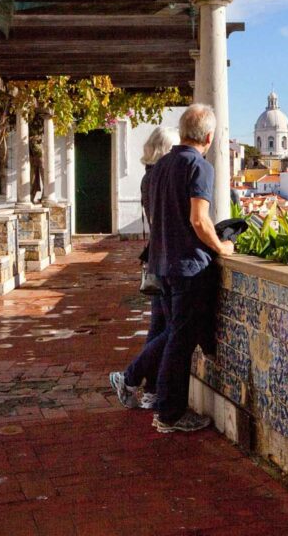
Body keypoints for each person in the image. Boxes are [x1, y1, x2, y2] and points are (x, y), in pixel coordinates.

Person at [110, 105, 234, 433]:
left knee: (172, 335)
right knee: (179, 341)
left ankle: (144, 389)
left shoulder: (161, 165)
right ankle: (169, 414)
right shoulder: (199, 167)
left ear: (182, 132)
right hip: (188, 268)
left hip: (162, 264)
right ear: (209, 136)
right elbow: (198, 219)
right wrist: (221, 247)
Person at [134, 125, 179, 410]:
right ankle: (131, 376)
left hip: (156, 259)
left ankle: (149, 390)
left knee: (158, 326)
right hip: (167, 260)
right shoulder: (160, 179)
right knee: (173, 328)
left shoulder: (147, 177)